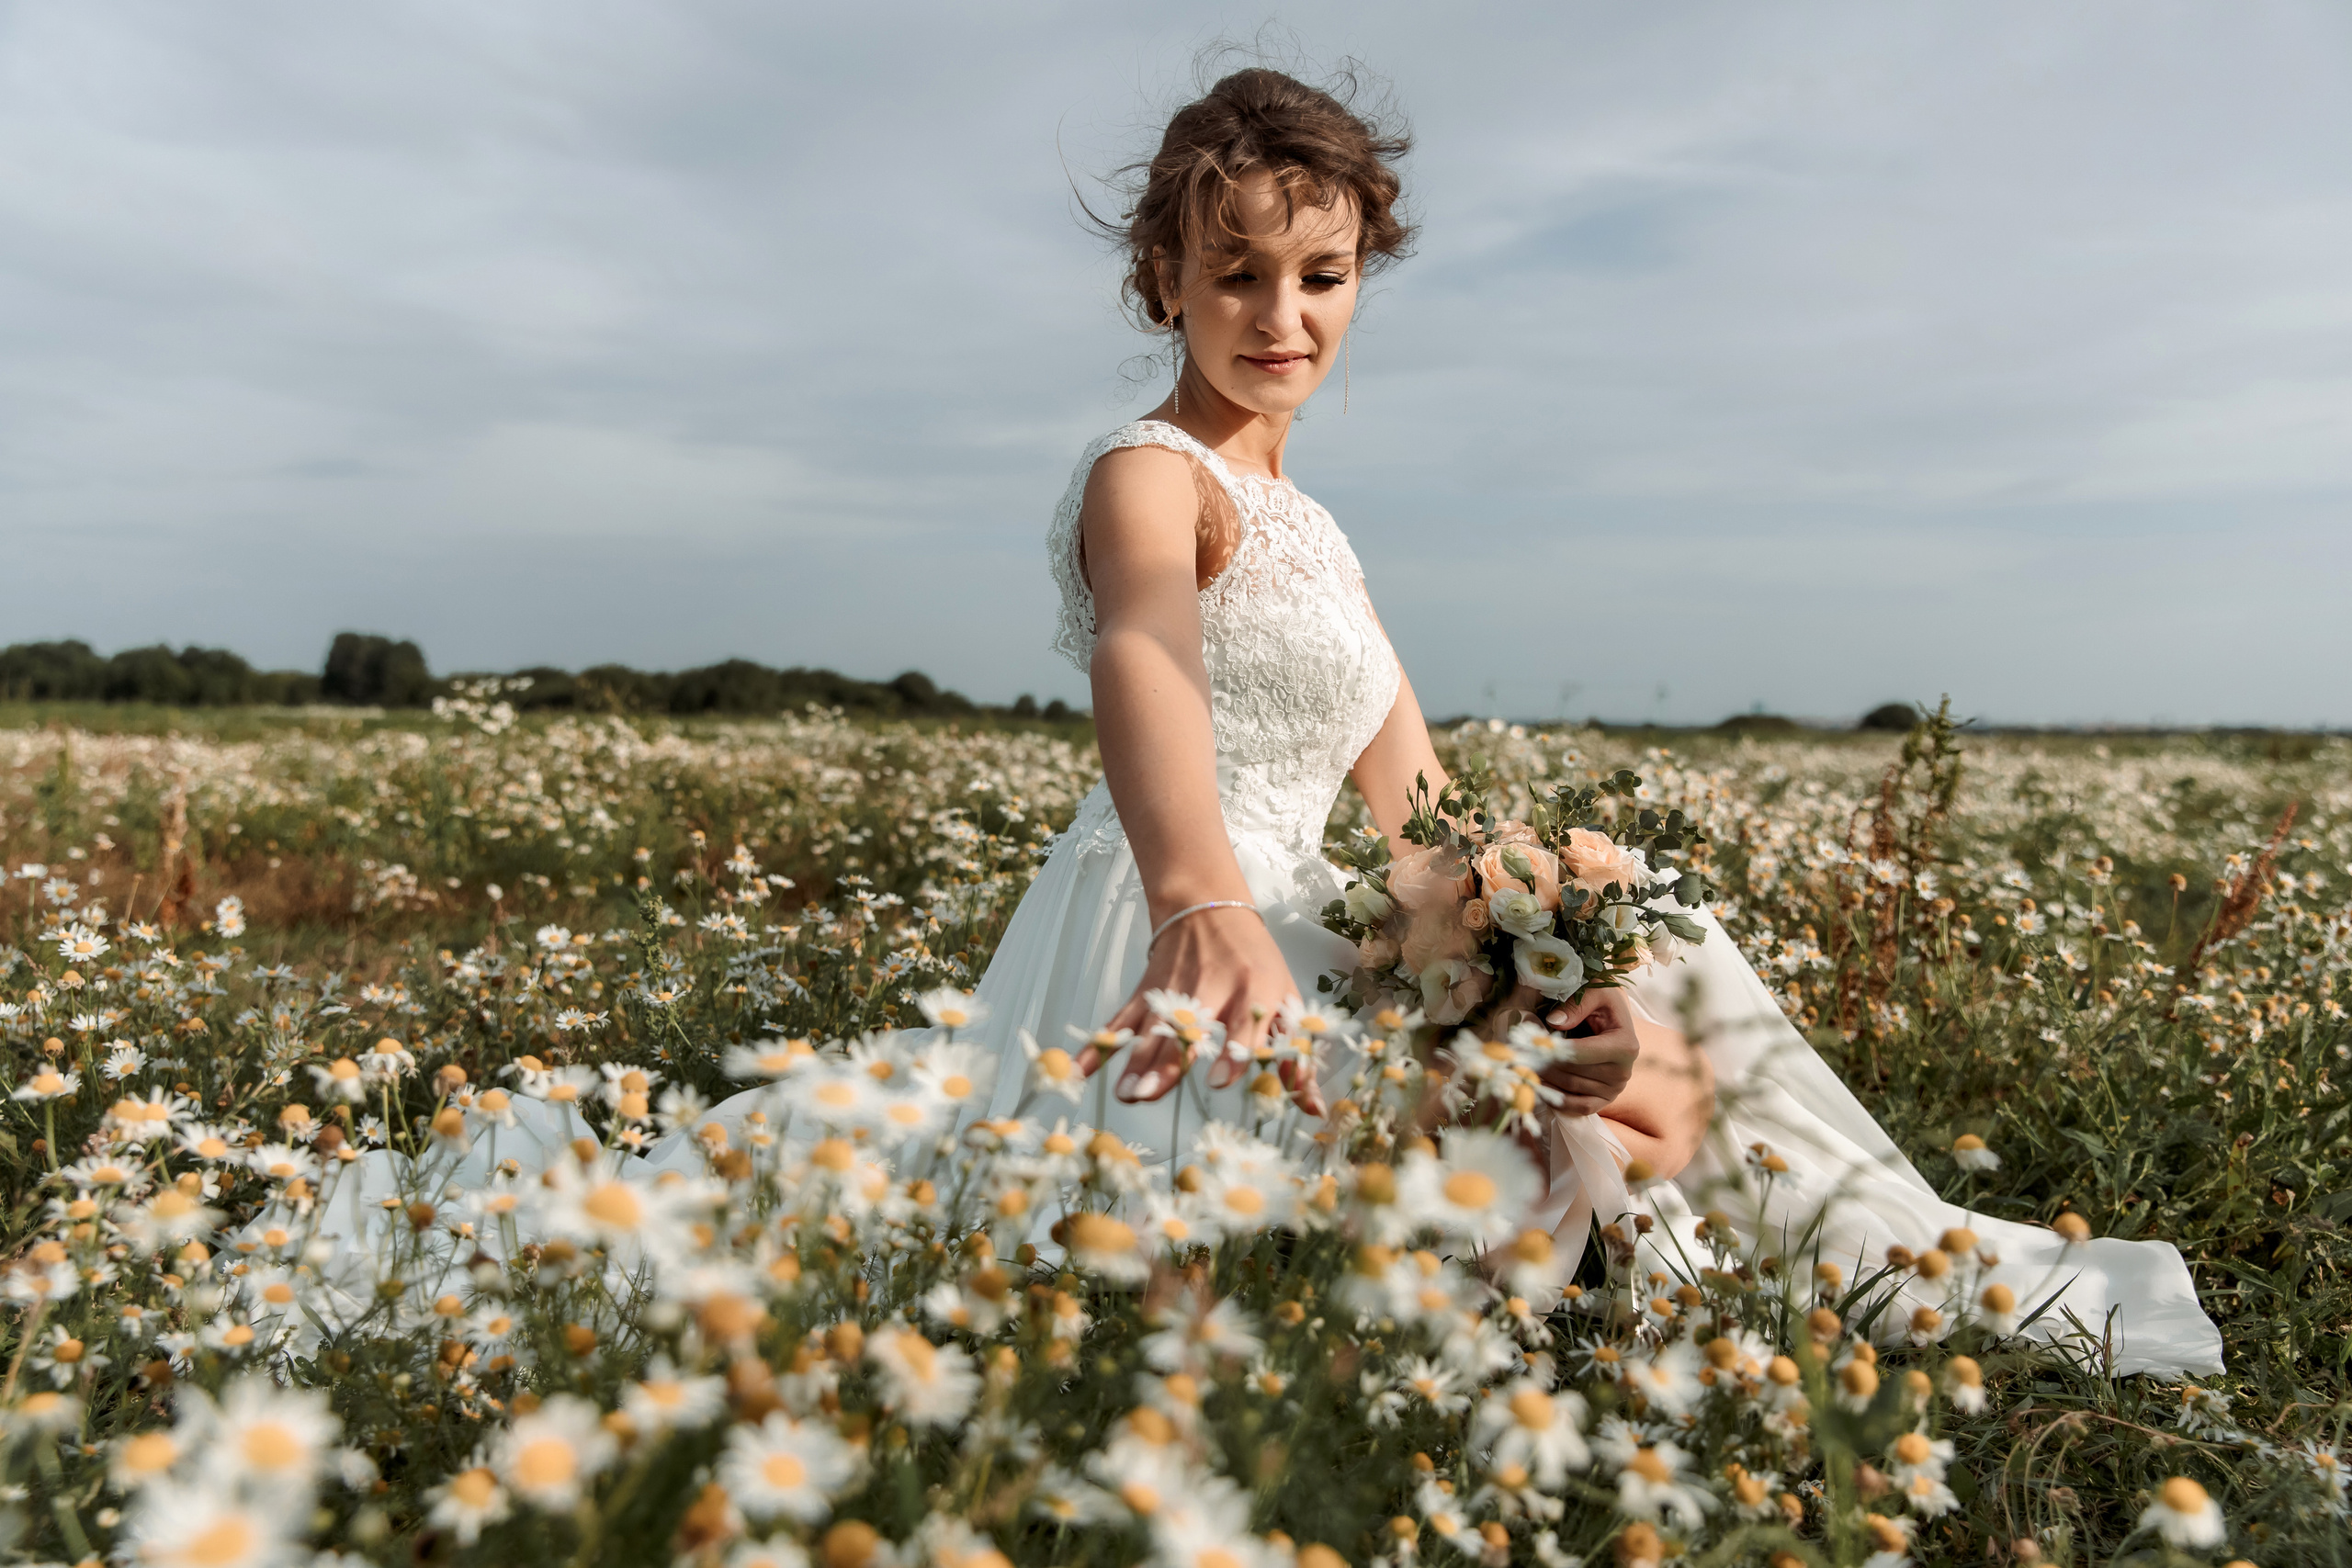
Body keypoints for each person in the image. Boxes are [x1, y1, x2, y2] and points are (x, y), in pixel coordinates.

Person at [958, 65, 2222, 1376]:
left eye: (1323, 276)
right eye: (1237, 276)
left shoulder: (1319, 535)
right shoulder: (1147, 475)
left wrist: (1534, 953)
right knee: (1499, 1148)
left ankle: (1666, 1208)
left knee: (1660, 1065)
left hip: (1316, 911)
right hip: (1175, 914)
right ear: (1165, 278)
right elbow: (1142, 649)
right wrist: (1198, 905)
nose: (1285, 318)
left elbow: (1420, 815)